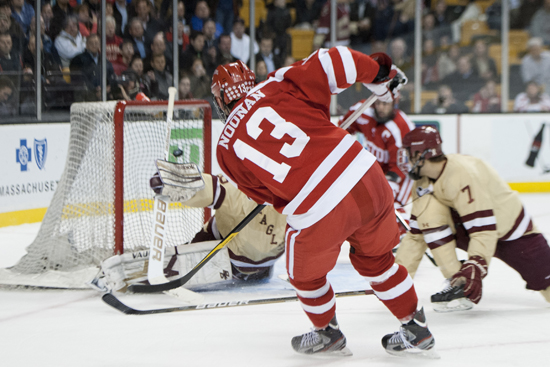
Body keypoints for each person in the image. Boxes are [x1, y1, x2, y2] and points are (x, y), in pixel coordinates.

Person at [211, 50, 436, 357]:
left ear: (222, 99)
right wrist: (377, 75)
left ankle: (327, 332)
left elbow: (263, 194)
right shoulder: (277, 83)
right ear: (250, 80)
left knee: (305, 274)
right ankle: (415, 326)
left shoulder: (224, 148)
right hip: (365, 174)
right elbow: (332, 60)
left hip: (317, 207)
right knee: (377, 261)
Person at [395, 126, 550, 312]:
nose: (405, 159)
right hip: (470, 229)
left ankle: (466, 277)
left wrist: (475, 266)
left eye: (408, 153)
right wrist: (398, 278)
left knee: (546, 282)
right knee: (427, 215)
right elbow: (415, 235)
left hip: (512, 231)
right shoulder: (422, 182)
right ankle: (457, 283)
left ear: (421, 153)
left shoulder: (462, 174)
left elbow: (483, 229)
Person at [93, 171, 287, 291]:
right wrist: (176, 181)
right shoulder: (296, 195)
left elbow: (212, 188)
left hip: (230, 255)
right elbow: (211, 188)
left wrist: (176, 181)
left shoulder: (242, 189)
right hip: (257, 263)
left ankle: (128, 274)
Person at [339, 97, 416, 234]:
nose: (380, 108)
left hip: (403, 171)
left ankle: (404, 237)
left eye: (385, 104)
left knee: (392, 202)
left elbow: (401, 166)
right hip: (379, 169)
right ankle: (382, 236)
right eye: (378, 103)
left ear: (394, 103)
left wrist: (384, 186)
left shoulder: (400, 127)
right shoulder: (363, 111)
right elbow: (343, 126)